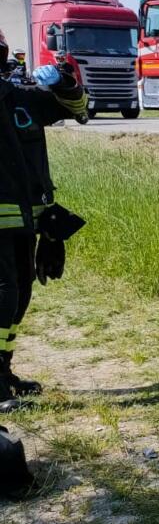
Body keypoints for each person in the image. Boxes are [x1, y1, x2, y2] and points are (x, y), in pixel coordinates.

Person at [0, 29, 88, 412]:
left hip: (24, 220)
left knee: (18, 294)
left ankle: (3, 373)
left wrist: (65, 82)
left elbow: (77, 110)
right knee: (3, 296)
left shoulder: (18, 99)